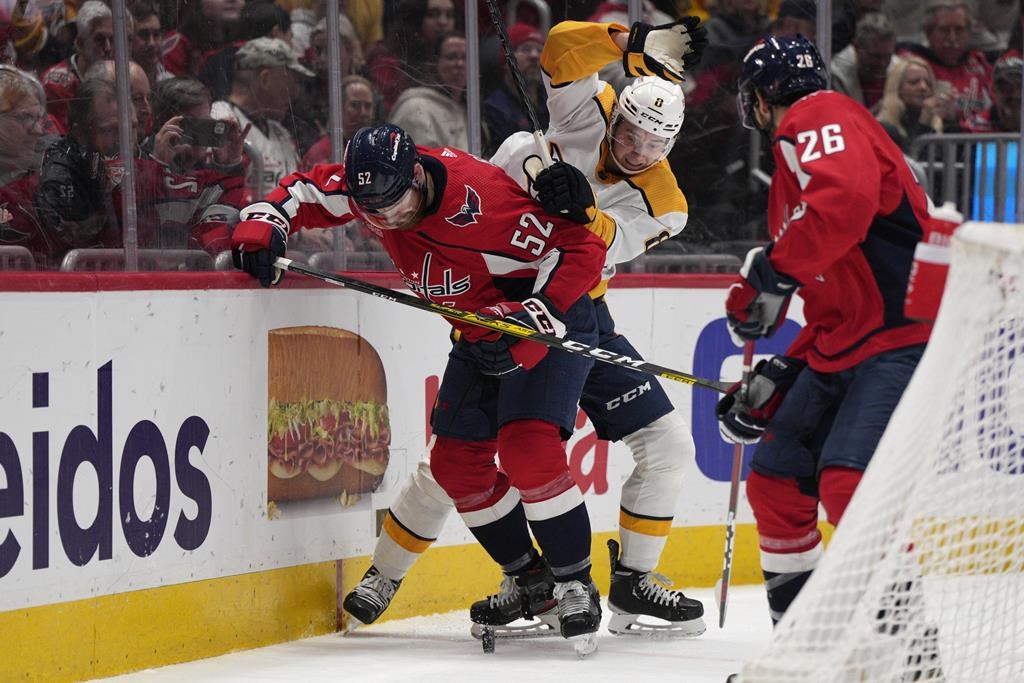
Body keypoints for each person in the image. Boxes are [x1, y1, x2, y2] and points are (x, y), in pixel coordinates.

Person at [343, 16, 710, 639]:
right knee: (456, 462)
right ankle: (408, 573)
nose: (636, 151)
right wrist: (628, 40)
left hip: (572, 315)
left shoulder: (666, 202)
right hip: (501, 304)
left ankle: (631, 582)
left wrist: (579, 207)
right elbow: (563, 48)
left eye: (653, 146)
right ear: (617, 113)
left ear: (669, 147)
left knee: (666, 444)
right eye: (630, 133)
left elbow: (606, 246)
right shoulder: (586, 108)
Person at [231, 122, 608, 645]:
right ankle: (530, 581)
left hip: (542, 322)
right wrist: (264, 220)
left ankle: (576, 583)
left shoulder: (484, 201)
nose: (385, 219)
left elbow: (583, 250)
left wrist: (530, 316)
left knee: (528, 452)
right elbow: (307, 191)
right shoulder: (376, 186)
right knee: (456, 465)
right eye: (373, 210)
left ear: (416, 174)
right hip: (479, 334)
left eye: (393, 203)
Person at [717, 35, 935, 631]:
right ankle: (804, 647)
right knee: (776, 483)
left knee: (848, 482)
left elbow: (847, 201)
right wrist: (785, 369)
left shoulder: (820, 112)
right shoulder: (796, 169)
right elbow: (834, 304)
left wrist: (775, 272)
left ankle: (910, 652)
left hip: (901, 339)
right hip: (849, 344)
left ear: (763, 96)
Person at [211, 37, 313, 195]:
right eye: (290, 83)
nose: (294, 94)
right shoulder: (221, 118)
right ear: (265, 78)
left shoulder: (281, 133)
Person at [897, 0, 992, 130]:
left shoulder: (978, 64)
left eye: (959, 30)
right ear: (928, 33)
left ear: (969, 32)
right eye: (944, 30)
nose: (952, 38)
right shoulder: (913, 66)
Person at [40, 1, 117, 134]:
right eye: (99, 40)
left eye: (112, 39)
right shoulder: (56, 85)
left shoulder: (118, 75)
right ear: (80, 44)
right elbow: (64, 141)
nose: (108, 48)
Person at [388, 33, 469, 149]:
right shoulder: (415, 107)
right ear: (435, 63)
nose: (460, 64)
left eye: (465, 57)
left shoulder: (469, 110)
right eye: (451, 57)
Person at [830, 12, 899, 111]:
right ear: (856, 47)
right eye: (875, 56)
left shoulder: (900, 69)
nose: (882, 63)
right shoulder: (837, 74)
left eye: (887, 56)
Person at [875, 55, 945, 151]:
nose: (923, 87)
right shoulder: (884, 127)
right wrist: (924, 123)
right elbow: (911, 162)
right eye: (914, 82)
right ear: (898, 89)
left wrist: (952, 120)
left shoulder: (935, 123)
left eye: (928, 83)